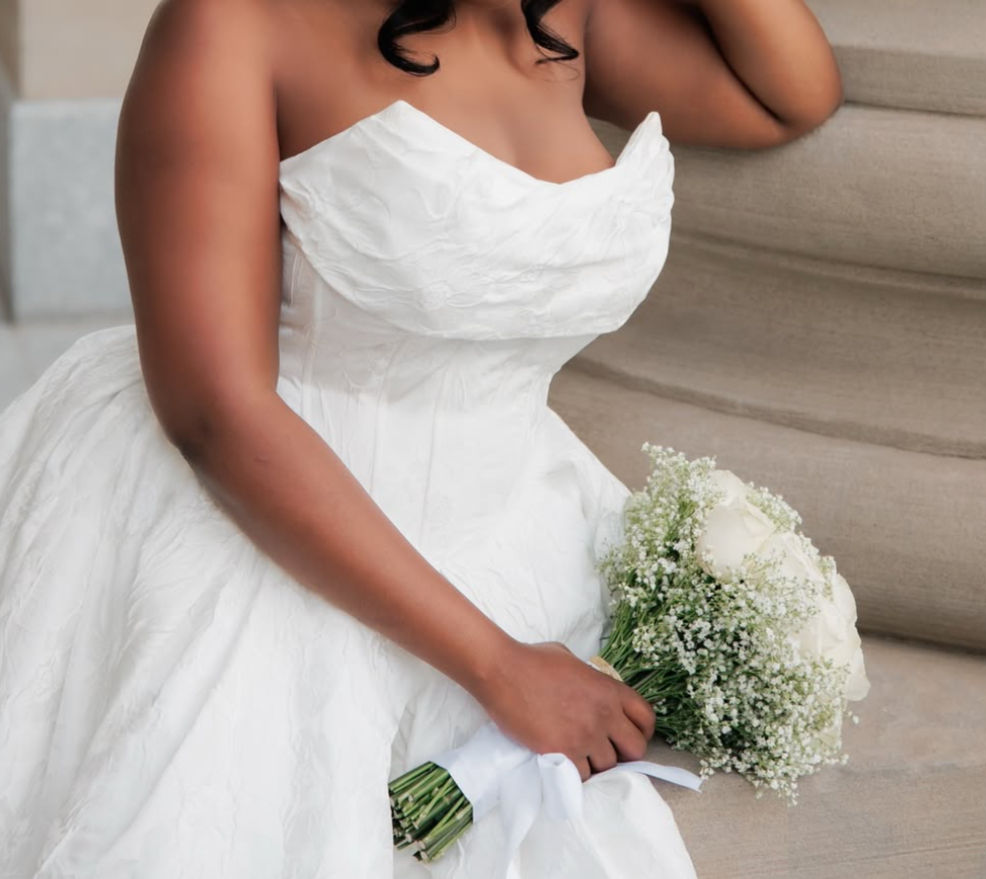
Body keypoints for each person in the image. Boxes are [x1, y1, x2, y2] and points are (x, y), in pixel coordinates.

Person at [0, 0, 842, 875]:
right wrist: (499, 667)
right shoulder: (230, 24)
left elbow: (791, 94)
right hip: (269, 518)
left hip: (518, 515)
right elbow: (214, 411)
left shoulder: (566, 12)